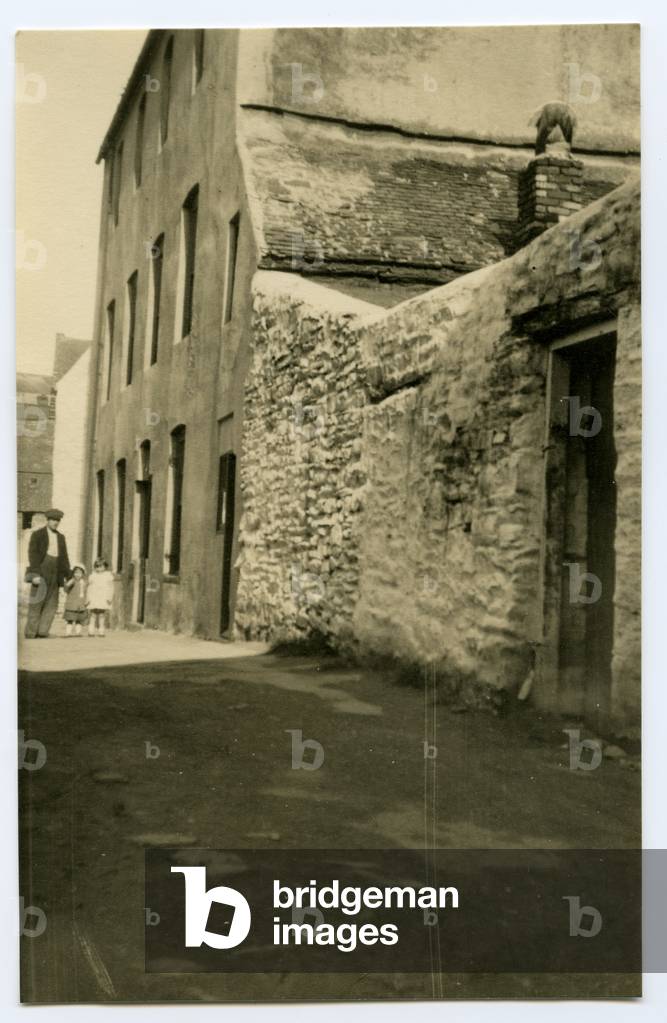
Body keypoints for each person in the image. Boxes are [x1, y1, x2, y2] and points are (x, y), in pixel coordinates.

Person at [24, 508, 71, 639]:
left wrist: (68, 575)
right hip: (41, 569)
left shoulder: (61, 537)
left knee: (52, 603)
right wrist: (35, 574)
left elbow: (64, 558)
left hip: (55, 571)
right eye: (53, 520)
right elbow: (32, 554)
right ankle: (31, 632)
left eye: (58, 520)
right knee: (37, 601)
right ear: (48, 520)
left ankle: (43, 631)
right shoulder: (38, 534)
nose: (56, 522)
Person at [86, 558, 114, 637]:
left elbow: (111, 587)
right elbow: (89, 587)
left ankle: (101, 630)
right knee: (93, 614)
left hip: (103, 597)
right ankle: (91, 630)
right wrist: (88, 597)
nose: (98, 568)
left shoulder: (108, 576)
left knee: (102, 614)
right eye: (97, 566)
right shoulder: (93, 576)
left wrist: (110, 597)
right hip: (94, 596)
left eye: (101, 566)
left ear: (105, 567)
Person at [63, 564, 88, 637]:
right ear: (73, 573)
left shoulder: (84, 582)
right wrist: (67, 583)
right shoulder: (72, 581)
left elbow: (86, 591)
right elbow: (66, 589)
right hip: (72, 604)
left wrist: (87, 600)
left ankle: (78, 632)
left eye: (80, 573)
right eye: (76, 573)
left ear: (83, 574)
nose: (77, 575)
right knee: (70, 619)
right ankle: (68, 633)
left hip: (80, 604)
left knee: (79, 620)